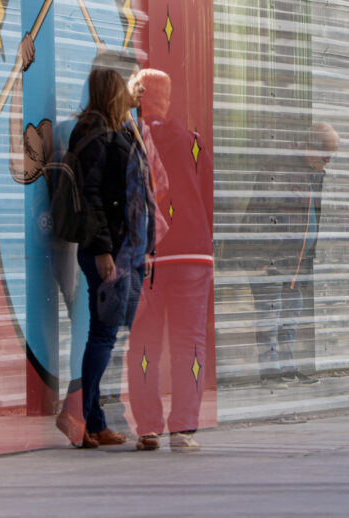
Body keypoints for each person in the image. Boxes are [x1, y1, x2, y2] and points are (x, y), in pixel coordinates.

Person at [57, 67, 156, 447]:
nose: (132, 96)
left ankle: (95, 422)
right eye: (125, 90)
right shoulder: (98, 137)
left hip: (124, 250)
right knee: (104, 334)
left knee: (109, 332)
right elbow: (94, 198)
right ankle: (77, 415)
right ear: (113, 94)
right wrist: (102, 250)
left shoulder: (110, 130)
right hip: (110, 251)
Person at [125, 68, 213, 452]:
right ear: (168, 99)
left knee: (143, 344)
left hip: (147, 256)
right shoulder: (193, 142)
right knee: (188, 343)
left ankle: (148, 428)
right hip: (192, 253)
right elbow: (208, 199)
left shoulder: (129, 140)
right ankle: (183, 430)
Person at [246, 122, 339, 387]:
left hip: (296, 261)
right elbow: (263, 215)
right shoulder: (280, 169)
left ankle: (287, 367)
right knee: (270, 312)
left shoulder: (312, 173)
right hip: (271, 259)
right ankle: (270, 372)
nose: (328, 161)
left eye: (332, 155)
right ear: (308, 146)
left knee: (290, 314)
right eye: (325, 154)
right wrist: (263, 259)